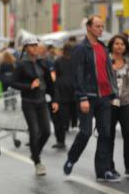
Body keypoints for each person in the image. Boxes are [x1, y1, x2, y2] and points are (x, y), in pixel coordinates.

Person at [63, 15, 119, 182]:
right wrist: (82, 97)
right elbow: (77, 74)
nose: (101, 29)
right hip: (88, 97)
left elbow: (109, 72)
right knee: (86, 132)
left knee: (105, 134)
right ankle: (72, 158)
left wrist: (113, 93)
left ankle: (102, 171)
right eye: (97, 26)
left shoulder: (103, 47)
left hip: (105, 98)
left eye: (102, 26)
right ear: (88, 27)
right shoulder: (81, 48)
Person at [11, 36, 58, 176]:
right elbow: (13, 83)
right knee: (34, 130)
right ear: (25, 48)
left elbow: (50, 83)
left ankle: (35, 152)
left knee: (46, 131)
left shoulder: (43, 62)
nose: (34, 48)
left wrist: (55, 100)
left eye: (36, 45)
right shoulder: (21, 64)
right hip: (28, 102)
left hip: (42, 101)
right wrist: (29, 86)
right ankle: (37, 162)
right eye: (31, 45)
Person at [108, 34, 129, 178]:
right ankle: (109, 167)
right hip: (109, 104)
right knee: (109, 136)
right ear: (112, 45)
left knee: (128, 134)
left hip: (126, 103)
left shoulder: (128, 63)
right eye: (117, 44)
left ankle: (128, 167)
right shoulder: (106, 62)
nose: (119, 46)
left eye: (122, 44)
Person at [51, 43, 75, 149]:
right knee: (67, 115)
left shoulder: (58, 61)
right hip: (73, 91)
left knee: (59, 118)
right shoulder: (77, 61)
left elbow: (54, 76)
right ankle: (71, 123)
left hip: (61, 91)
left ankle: (61, 140)